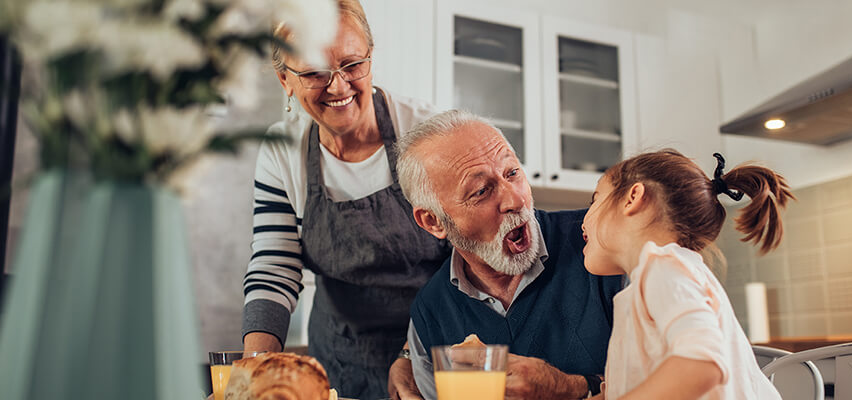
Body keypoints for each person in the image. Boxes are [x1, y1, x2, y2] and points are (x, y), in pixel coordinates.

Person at [240, 1, 451, 398]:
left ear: (371, 57)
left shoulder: (425, 133)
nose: (338, 87)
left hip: (432, 351)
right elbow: (274, 266)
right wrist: (253, 373)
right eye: (315, 72)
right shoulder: (283, 148)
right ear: (285, 79)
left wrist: (412, 354)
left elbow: (466, 262)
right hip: (337, 363)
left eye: (353, 65)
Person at [392, 110, 623, 400]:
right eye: (480, 191)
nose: (515, 199)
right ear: (433, 221)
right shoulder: (432, 312)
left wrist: (570, 388)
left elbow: (679, 377)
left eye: (512, 172)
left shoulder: (607, 242)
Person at [580, 150, 793, 399]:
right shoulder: (660, 275)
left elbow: (702, 364)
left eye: (595, 200)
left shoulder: (662, 268)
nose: (582, 221)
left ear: (633, 198)